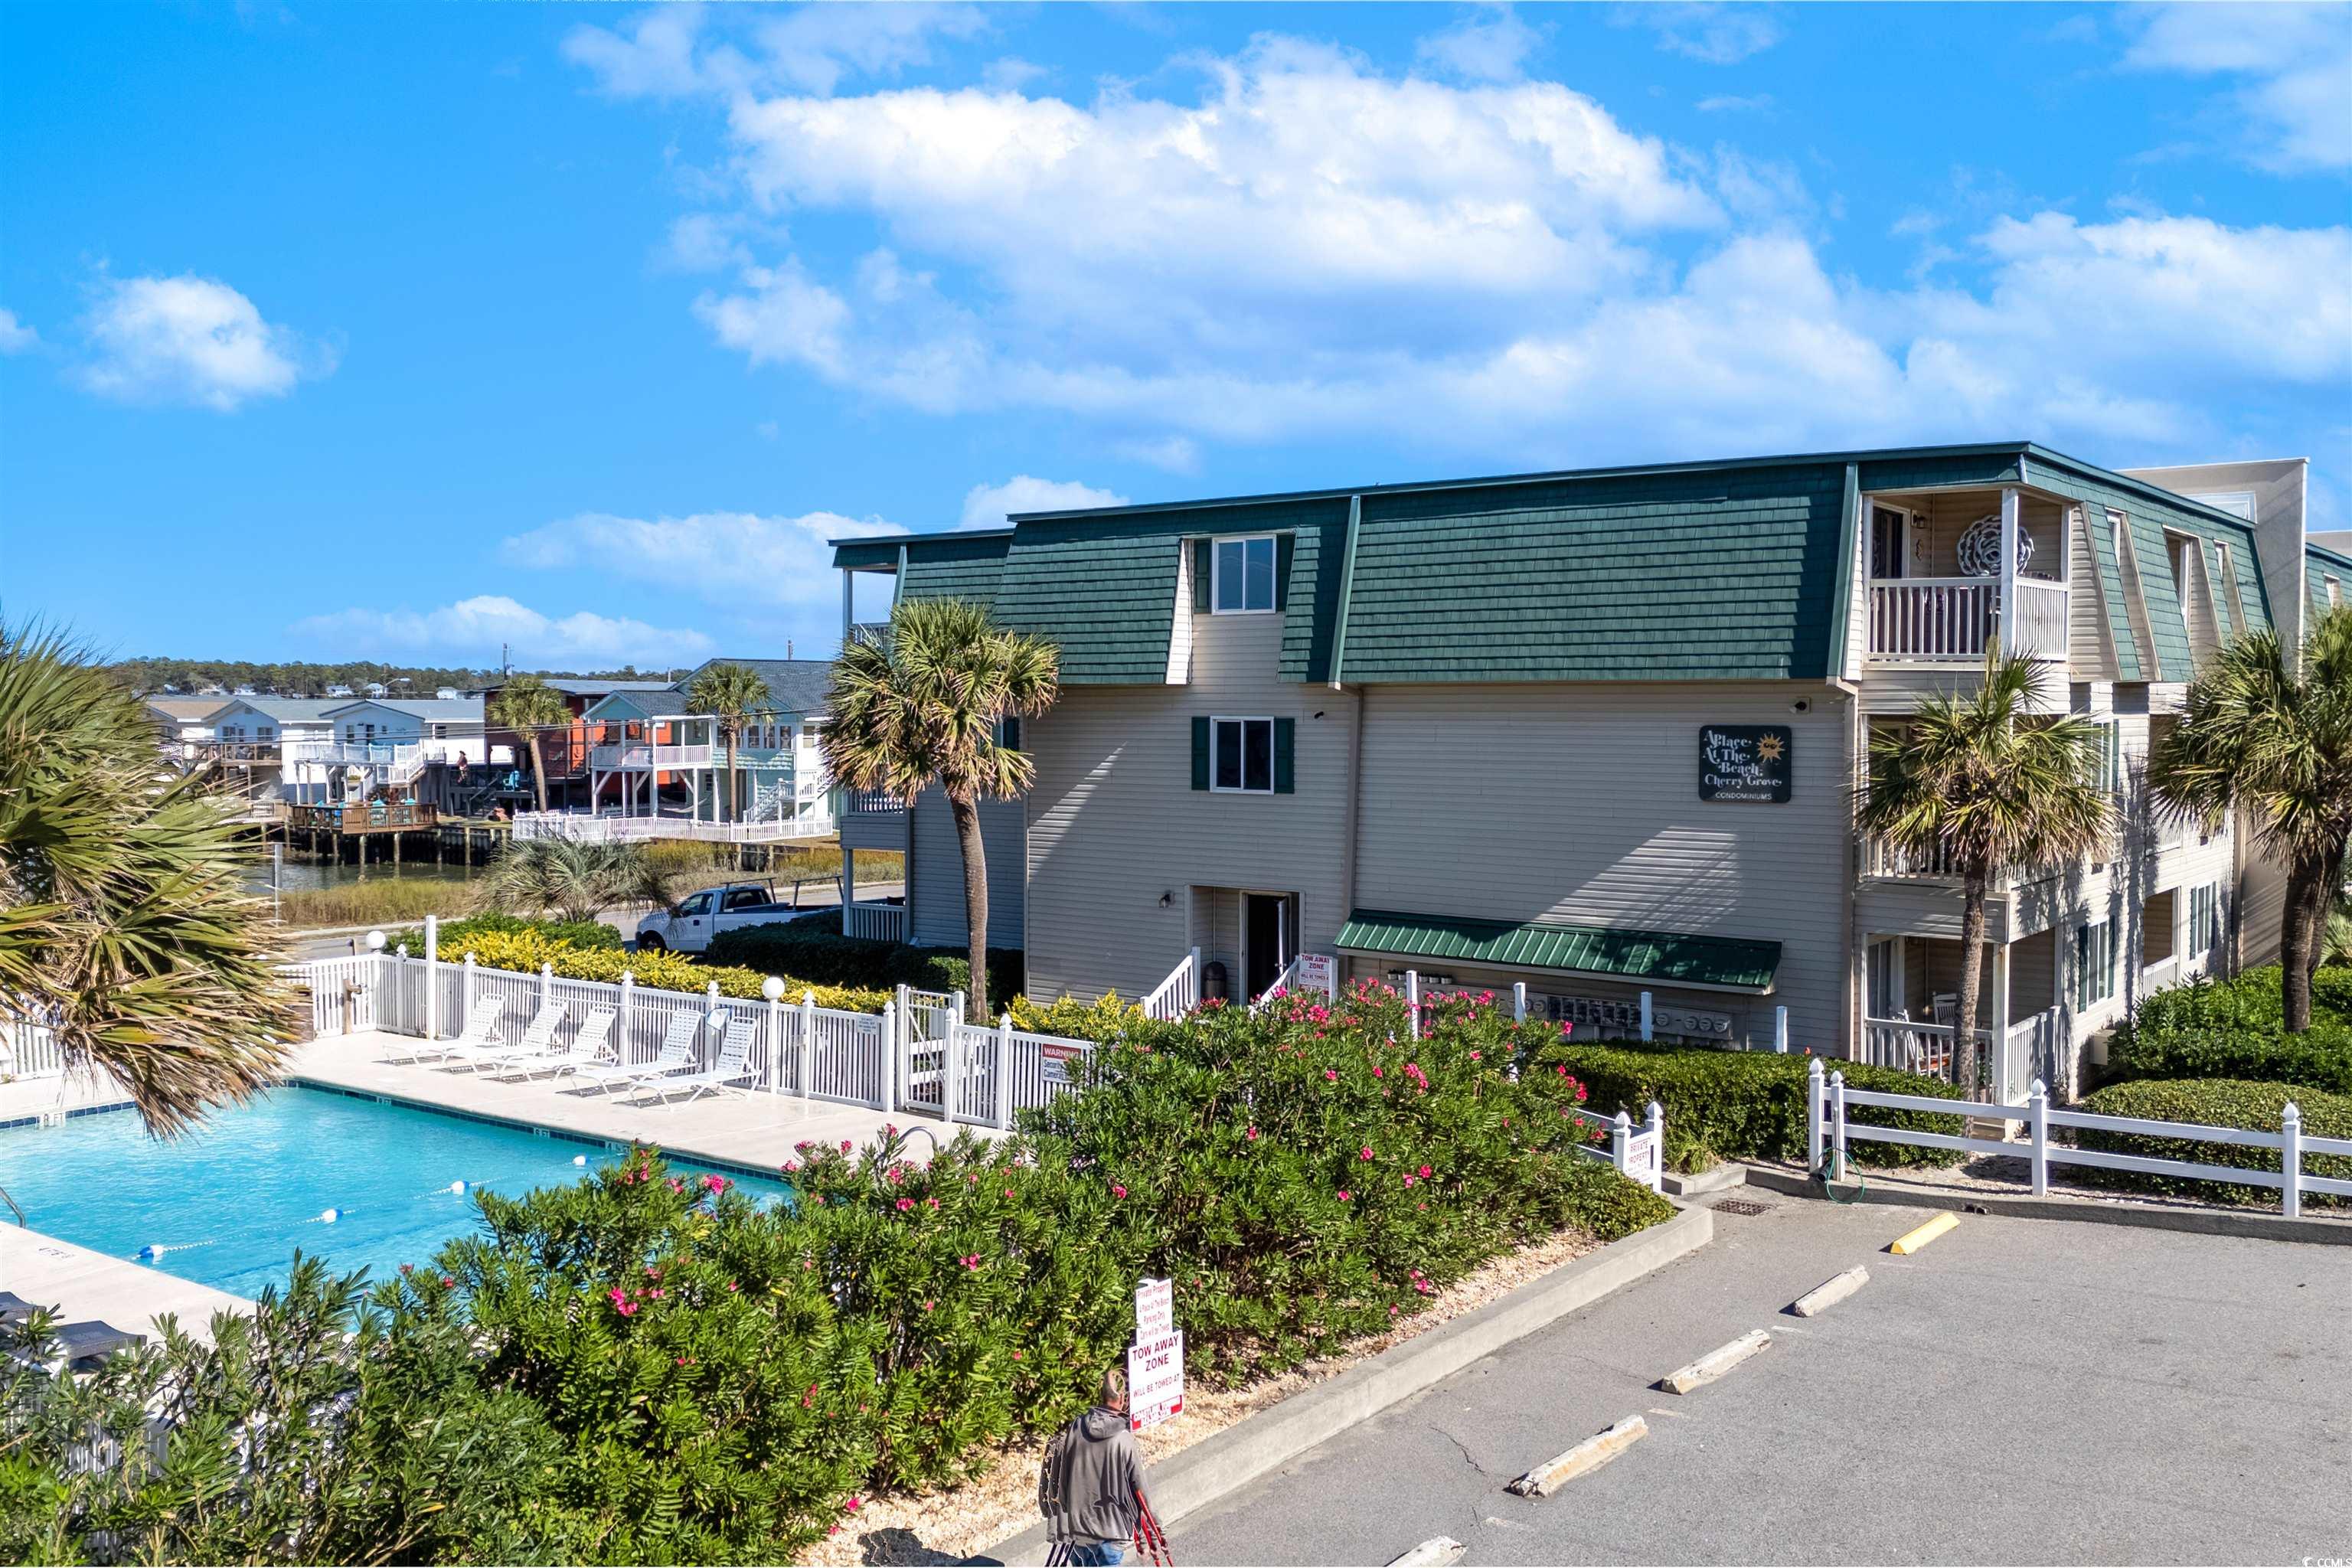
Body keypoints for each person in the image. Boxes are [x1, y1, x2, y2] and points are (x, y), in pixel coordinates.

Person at [1039, 1367, 1156, 1566]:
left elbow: (1050, 1478)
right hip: (1109, 1531)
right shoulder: (1123, 1440)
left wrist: (1050, 1513)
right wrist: (1150, 1537)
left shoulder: (1072, 1431)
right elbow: (1140, 1492)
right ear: (1123, 1399)